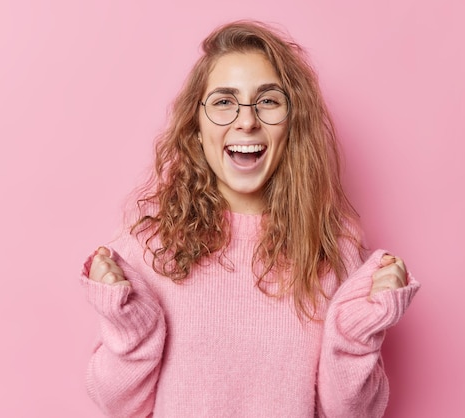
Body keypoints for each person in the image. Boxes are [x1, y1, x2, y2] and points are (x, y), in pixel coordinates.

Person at [80, 20, 420, 417]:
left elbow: (351, 413)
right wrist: (129, 326)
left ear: (292, 123)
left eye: (268, 101)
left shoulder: (331, 249)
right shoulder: (148, 245)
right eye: (224, 101)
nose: (246, 121)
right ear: (197, 124)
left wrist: (360, 331)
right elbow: (117, 405)